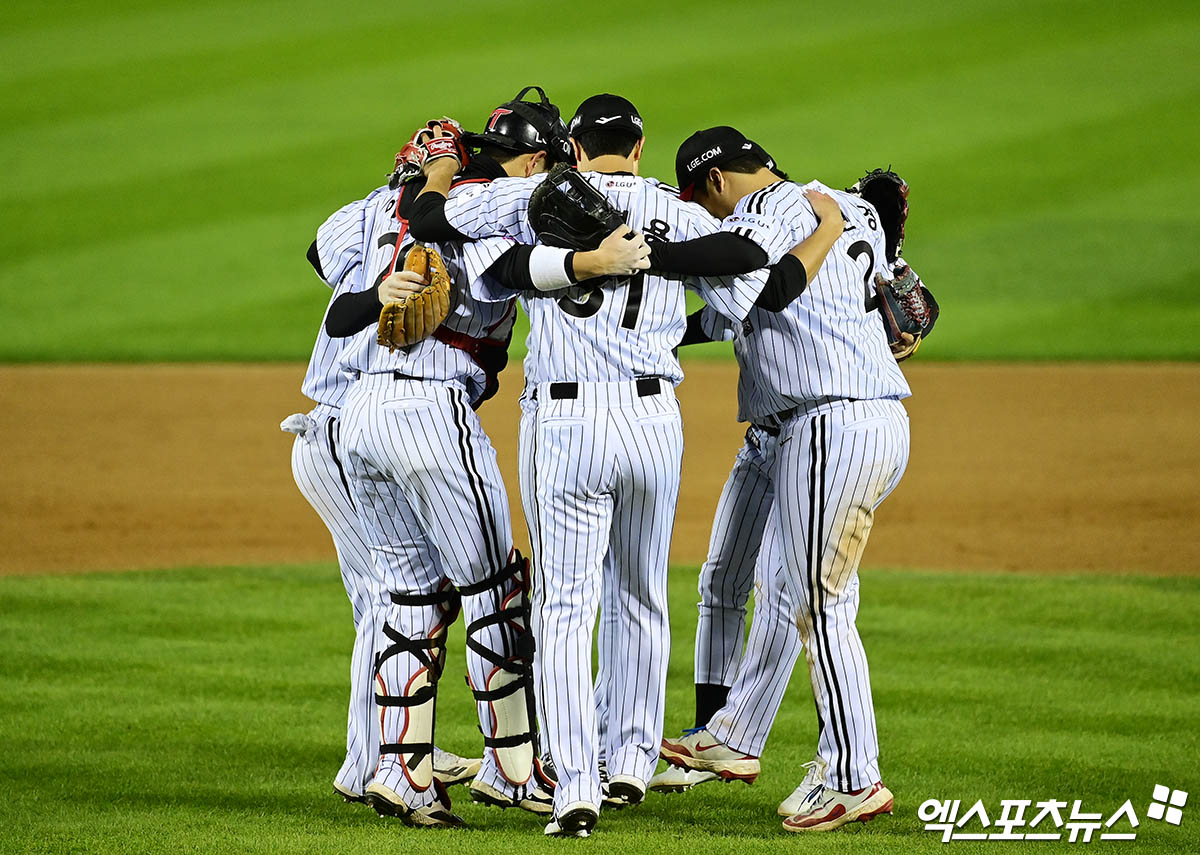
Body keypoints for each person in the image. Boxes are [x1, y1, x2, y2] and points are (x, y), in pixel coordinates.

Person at [407, 95, 768, 837]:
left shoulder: (528, 195)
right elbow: (747, 276)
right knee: (641, 592)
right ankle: (630, 758)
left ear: (573, 144)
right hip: (651, 421)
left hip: (567, 420)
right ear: (639, 149)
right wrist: (669, 310)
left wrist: (441, 171)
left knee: (565, 606)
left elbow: (438, 225)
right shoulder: (678, 209)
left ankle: (575, 783)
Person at [315, 89, 648, 828]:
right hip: (433, 408)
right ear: (533, 159)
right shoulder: (497, 202)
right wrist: (593, 258)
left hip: (360, 411)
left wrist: (384, 286)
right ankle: (516, 768)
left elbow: (338, 308)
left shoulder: (391, 209)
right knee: (494, 590)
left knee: (408, 597)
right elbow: (522, 272)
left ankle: (403, 774)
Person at [651, 127, 914, 832]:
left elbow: (761, 291)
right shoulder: (847, 205)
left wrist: (653, 267)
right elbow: (909, 308)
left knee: (821, 605)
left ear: (712, 185)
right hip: (840, 420)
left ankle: (856, 775)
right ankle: (736, 732)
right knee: (788, 586)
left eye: (699, 203)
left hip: (832, 424)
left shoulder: (760, 217)